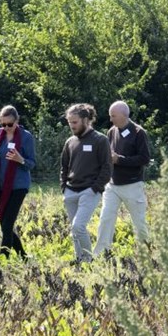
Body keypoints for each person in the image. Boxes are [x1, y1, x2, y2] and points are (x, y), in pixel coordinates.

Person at [93, 101, 151, 258]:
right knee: (105, 219)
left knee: (139, 222)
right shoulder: (112, 131)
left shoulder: (139, 133)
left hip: (132, 184)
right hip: (112, 185)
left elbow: (144, 159)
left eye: (113, 116)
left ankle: (146, 253)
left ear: (125, 115)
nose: (110, 119)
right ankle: (101, 254)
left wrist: (120, 160)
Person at [60, 103, 111, 263]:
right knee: (74, 230)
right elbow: (64, 166)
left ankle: (88, 260)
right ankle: (79, 258)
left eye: (75, 122)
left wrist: (95, 188)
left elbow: (107, 167)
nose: (72, 126)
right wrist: (64, 187)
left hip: (89, 191)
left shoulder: (100, 140)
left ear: (86, 120)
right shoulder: (70, 142)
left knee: (78, 227)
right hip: (70, 191)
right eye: (70, 123)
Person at [0, 105, 37, 258]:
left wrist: (20, 159)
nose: (6, 127)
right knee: (4, 224)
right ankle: (23, 256)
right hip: (0, 186)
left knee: (7, 224)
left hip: (19, 186)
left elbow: (31, 163)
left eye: (10, 124)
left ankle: (2, 260)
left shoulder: (26, 137)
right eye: (3, 124)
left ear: (17, 121)